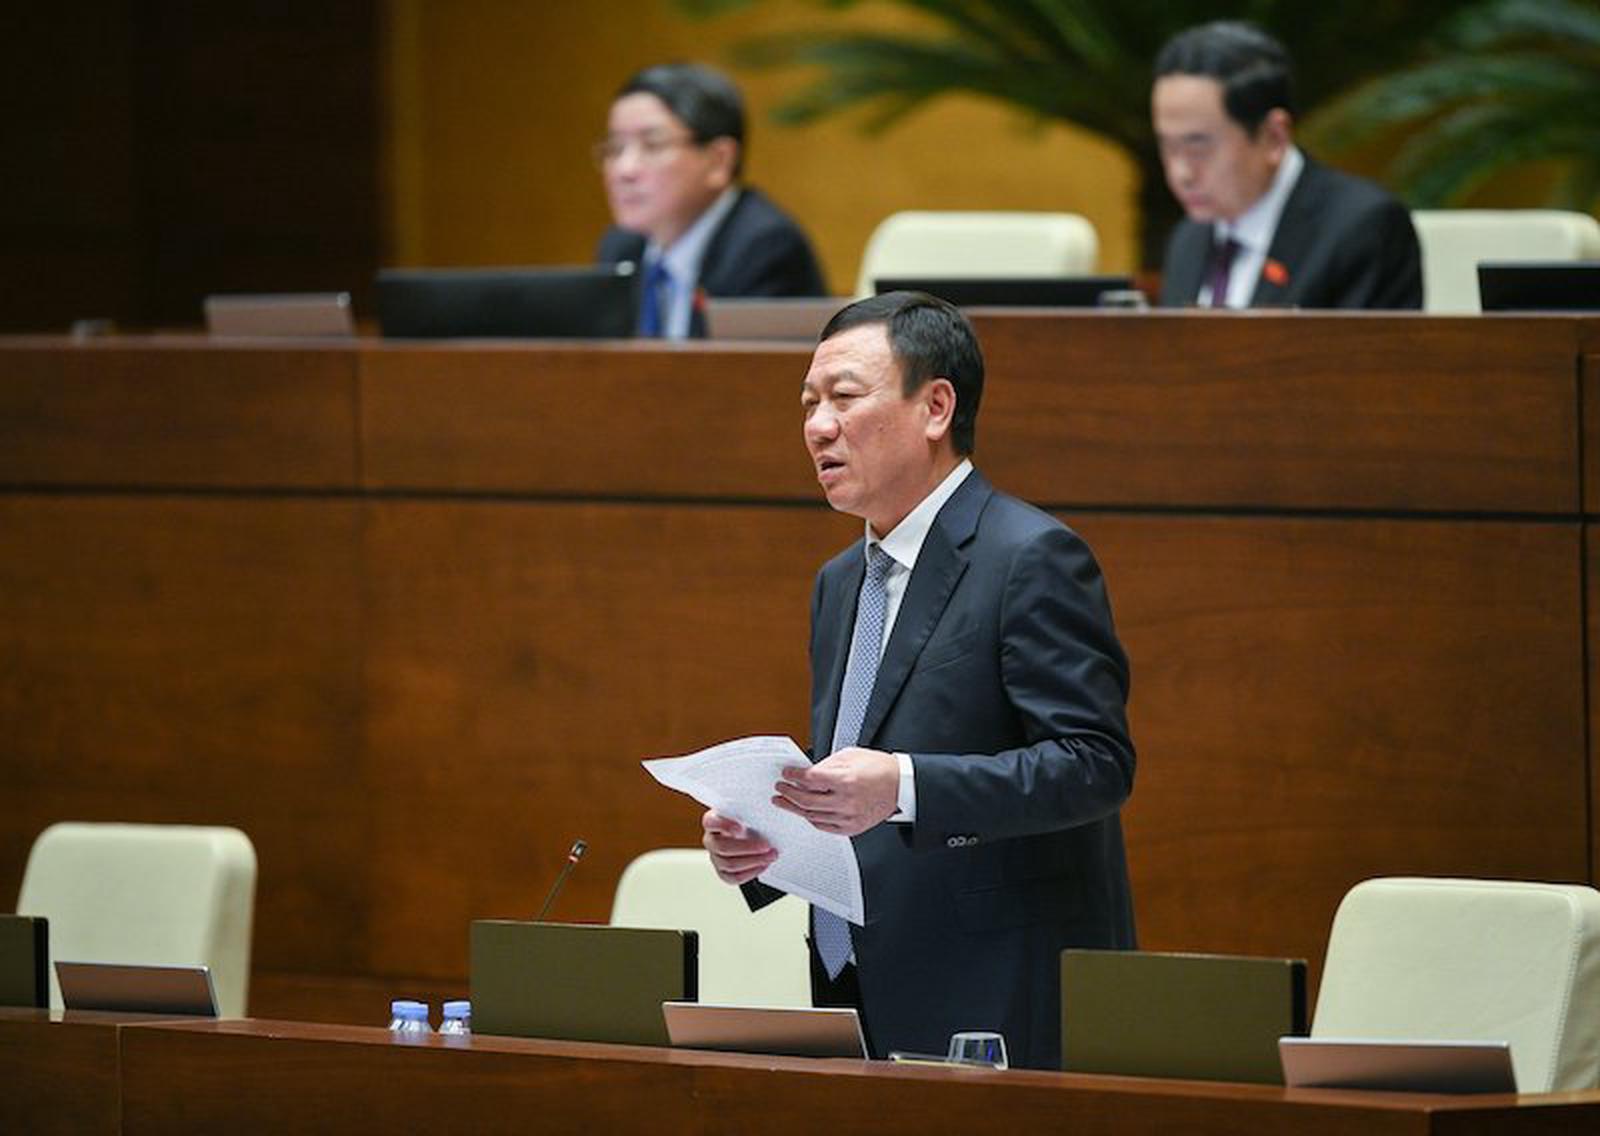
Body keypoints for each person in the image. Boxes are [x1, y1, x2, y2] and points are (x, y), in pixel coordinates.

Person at [700, 291, 1136, 1070]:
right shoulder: (841, 581)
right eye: (808, 404)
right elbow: (853, 777)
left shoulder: (1029, 557)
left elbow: (1094, 765)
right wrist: (771, 839)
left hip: (995, 996)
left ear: (936, 407)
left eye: (843, 397)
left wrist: (903, 785)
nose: (818, 427)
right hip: (854, 985)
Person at [1152, 21, 1423, 310]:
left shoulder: (1362, 228)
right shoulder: (1189, 237)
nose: (1181, 173)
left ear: (1274, 137)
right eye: (1168, 146)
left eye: (1198, 147)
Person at [594, 62, 827, 338]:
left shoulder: (765, 247)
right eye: (616, 148)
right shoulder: (622, 247)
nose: (624, 169)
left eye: (652, 145)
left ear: (719, 160)